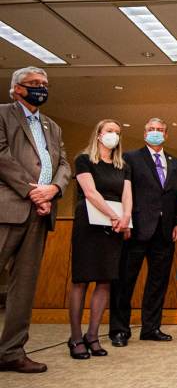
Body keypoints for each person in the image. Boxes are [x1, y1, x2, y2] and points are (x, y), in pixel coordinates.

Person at [0, 67, 70, 373]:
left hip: (40, 215)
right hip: (8, 207)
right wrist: (33, 192)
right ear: (17, 89)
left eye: (44, 84)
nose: (41, 88)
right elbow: (2, 156)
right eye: (33, 84)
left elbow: (63, 163)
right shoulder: (3, 115)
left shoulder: (51, 126)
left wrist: (53, 189)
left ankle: (11, 351)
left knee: (24, 287)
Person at [109, 118, 177, 346]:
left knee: (158, 282)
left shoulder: (175, 162)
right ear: (144, 134)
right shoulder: (131, 158)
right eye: (151, 130)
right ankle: (119, 330)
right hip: (136, 230)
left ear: (166, 134)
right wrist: (126, 222)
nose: (156, 133)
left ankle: (151, 328)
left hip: (165, 232)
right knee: (125, 281)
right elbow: (122, 191)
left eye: (160, 130)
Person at [68, 120, 132, 360]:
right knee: (81, 280)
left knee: (105, 280)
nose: (113, 136)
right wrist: (114, 215)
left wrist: (125, 218)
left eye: (117, 132)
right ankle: (75, 337)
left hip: (114, 226)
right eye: (109, 131)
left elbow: (127, 194)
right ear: (98, 135)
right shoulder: (84, 159)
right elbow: (90, 192)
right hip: (90, 222)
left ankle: (92, 335)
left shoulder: (122, 165)